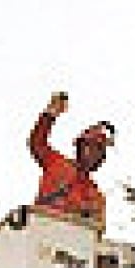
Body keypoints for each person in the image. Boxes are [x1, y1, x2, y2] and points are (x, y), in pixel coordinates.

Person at [28, 91, 114, 232]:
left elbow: (97, 231)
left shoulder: (96, 195)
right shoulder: (56, 162)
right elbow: (36, 142)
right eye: (89, 146)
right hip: (42, 228)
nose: (93, 153)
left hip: (70, 243)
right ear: (79, 147)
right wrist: (51, 113)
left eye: (99, 149)